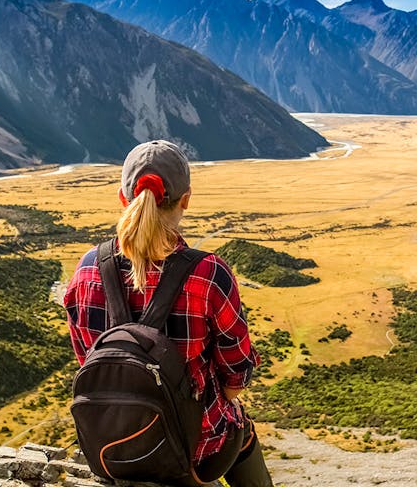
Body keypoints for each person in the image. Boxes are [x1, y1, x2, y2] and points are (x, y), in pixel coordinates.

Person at [63, 140, 273, 486]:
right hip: (195, 448)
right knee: (242, 432)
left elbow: (87, 358)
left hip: (114, 444)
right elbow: (236, 377)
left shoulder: (87, 269)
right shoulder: (208, 274)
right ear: (186, 200)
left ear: (122, 197)